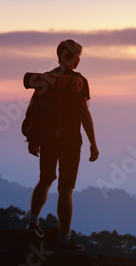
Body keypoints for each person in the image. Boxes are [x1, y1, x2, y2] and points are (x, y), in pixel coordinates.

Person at [24, 39, 99, 249]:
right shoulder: (78, 82)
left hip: (47, 138)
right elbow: (85, 115)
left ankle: (32, 224)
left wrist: (32, 138)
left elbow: (34, 110)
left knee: (45, 180)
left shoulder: (46, 79)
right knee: (66, 189)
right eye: (78, 55)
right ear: (72, 57)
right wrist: (93, 143)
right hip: (70, 141)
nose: (78, 59)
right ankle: (64, 239)